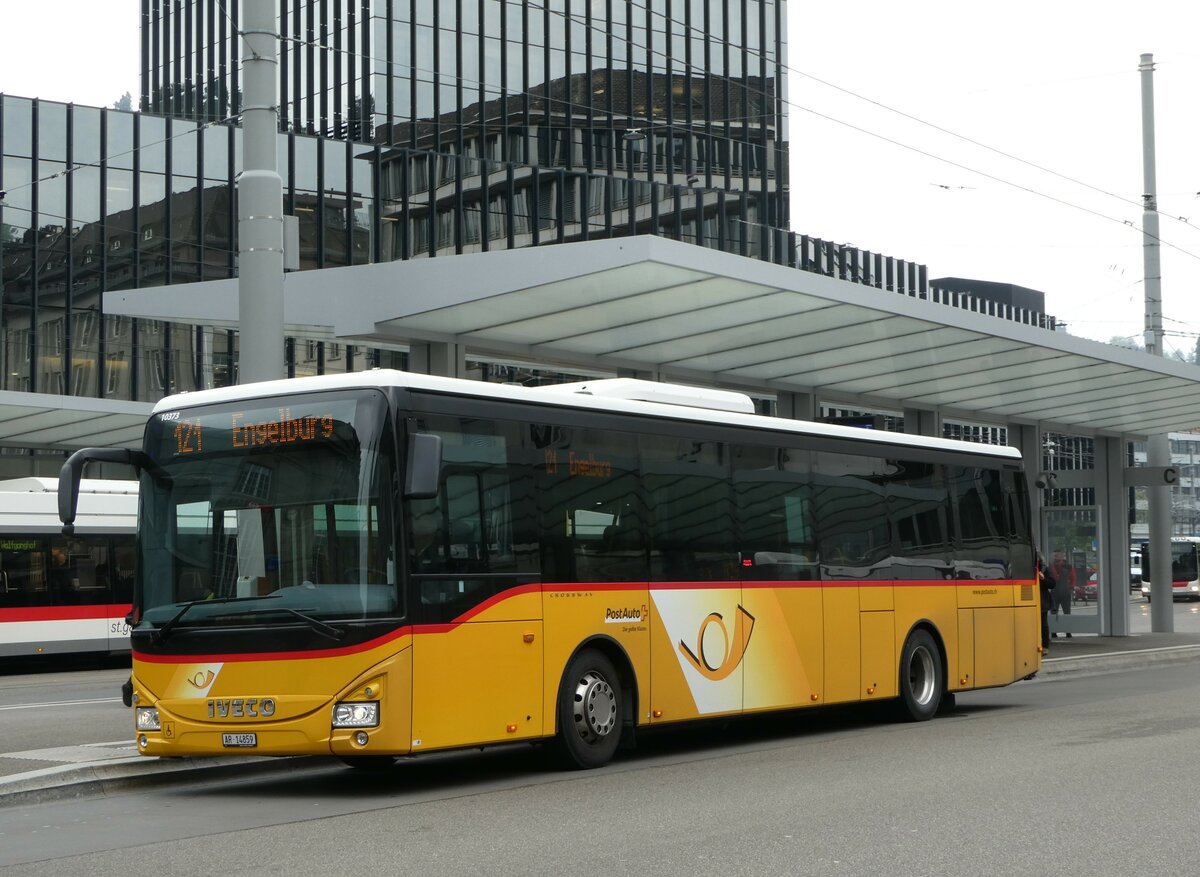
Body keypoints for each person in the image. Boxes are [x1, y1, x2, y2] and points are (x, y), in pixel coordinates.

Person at [1049, 549, 1075, 637]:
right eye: (1055, 555)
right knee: (1054, 612)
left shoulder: (1068, 566)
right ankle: (1054, 631)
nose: (1056, 557)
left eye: (1058, 555)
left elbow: (1073, 578)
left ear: (1062, 556)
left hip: (1065, 592)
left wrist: (1070, 587)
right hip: (1055, 592)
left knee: (1067, 612)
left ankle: (1068, 631)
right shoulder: (1051, 566)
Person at [1037, 551, 1053, 651]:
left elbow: (1052, 583)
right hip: (1032, 600)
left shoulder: (1044, 568)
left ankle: (1045, 645)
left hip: (1042, 600)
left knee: (1043, 623)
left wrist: (1043, 579)